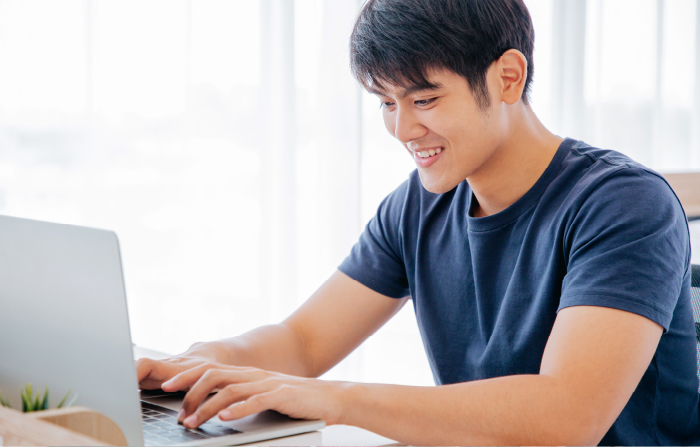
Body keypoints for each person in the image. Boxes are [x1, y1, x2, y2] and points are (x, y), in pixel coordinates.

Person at [136, 0, 700, 444]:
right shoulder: (421, 203)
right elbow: (303, 340)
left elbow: (565, 419)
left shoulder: (625, 204)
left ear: (507, 77)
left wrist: (337, 398)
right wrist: (206, 361)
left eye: (424, 100)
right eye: (386, 103)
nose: (403, 130)